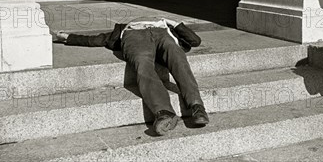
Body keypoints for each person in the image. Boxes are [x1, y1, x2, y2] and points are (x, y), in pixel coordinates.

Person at [53, 17, 209, 136]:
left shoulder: (166, 26)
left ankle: (197, 107)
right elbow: (93, 39)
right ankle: (164, 112)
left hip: (162, 33)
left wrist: (173, 23)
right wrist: (68, 37)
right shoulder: (122, 30)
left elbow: (195, 40)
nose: (144, 18)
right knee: (142, 62)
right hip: (134, 37)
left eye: (149, 17)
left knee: (177, 56)